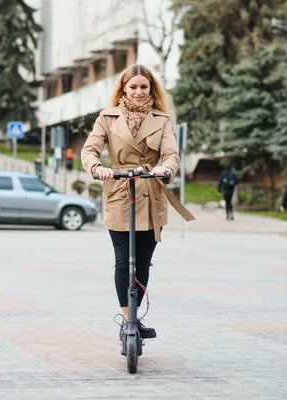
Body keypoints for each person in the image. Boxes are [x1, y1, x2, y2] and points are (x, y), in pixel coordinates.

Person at [81, 64, 195, 341]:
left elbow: (171, 154)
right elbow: (90, 149)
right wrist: (98, 168)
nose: (139, 92)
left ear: (151, 89)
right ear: (124, 88)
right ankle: (127, 319)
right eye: (133, 87)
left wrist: (166, 169)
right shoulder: (107, 118)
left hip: (151, 192)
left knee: (143, 261)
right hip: (120, 191)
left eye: (144, 87)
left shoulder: (162, 119)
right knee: (123, 261)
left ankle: (136, 315)